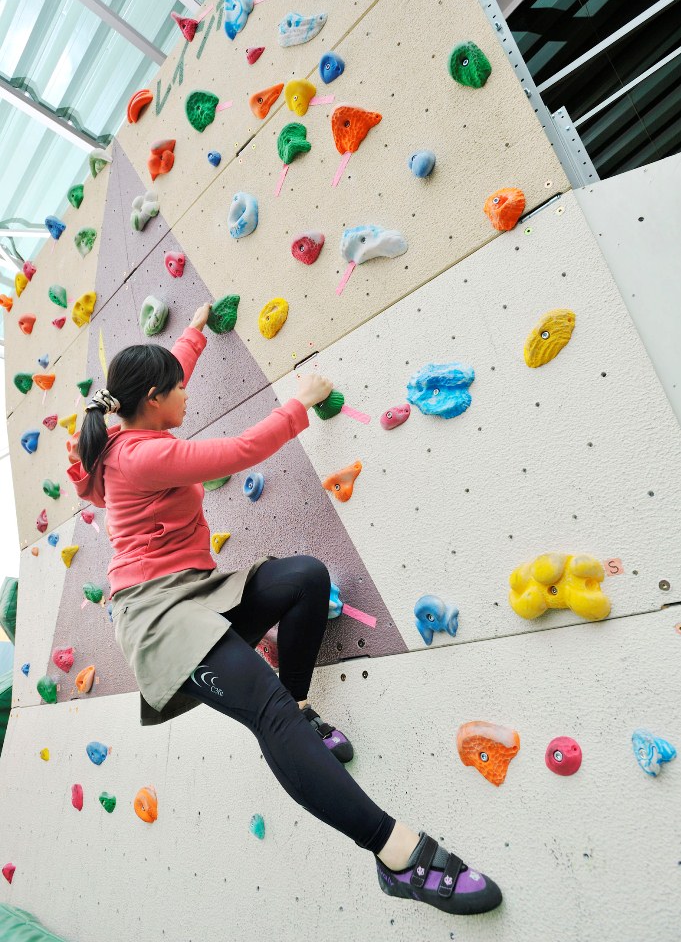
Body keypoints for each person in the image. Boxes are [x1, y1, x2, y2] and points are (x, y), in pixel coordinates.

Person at [66, 302, 502, 917]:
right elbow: (243, 450)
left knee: (303, 578)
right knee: (266, 715)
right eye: (181, 389)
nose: (188, 394)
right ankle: (397, 856)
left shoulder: (125, 425)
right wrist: (303, 400)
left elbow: (163, 376)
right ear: (156, 400)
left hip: (191, 589)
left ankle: (300, 709)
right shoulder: (140, 455)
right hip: (157, 616)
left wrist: (192, 334)